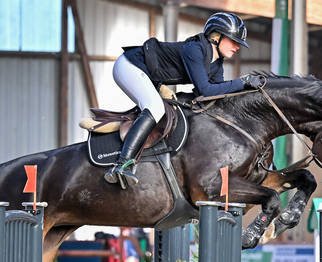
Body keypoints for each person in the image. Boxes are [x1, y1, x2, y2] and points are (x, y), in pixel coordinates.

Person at [104, 12, 264, 188]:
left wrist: (246, 91)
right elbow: (205, 90)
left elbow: (216, 95)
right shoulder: (195, 50)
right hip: (130, 65)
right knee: (155, 108)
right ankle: (122, 164)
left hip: (148, 76)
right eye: (234, 41)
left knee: (162, 109)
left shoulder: (216, 63)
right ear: (216, 36)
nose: (237, 46)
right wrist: (242, 82)